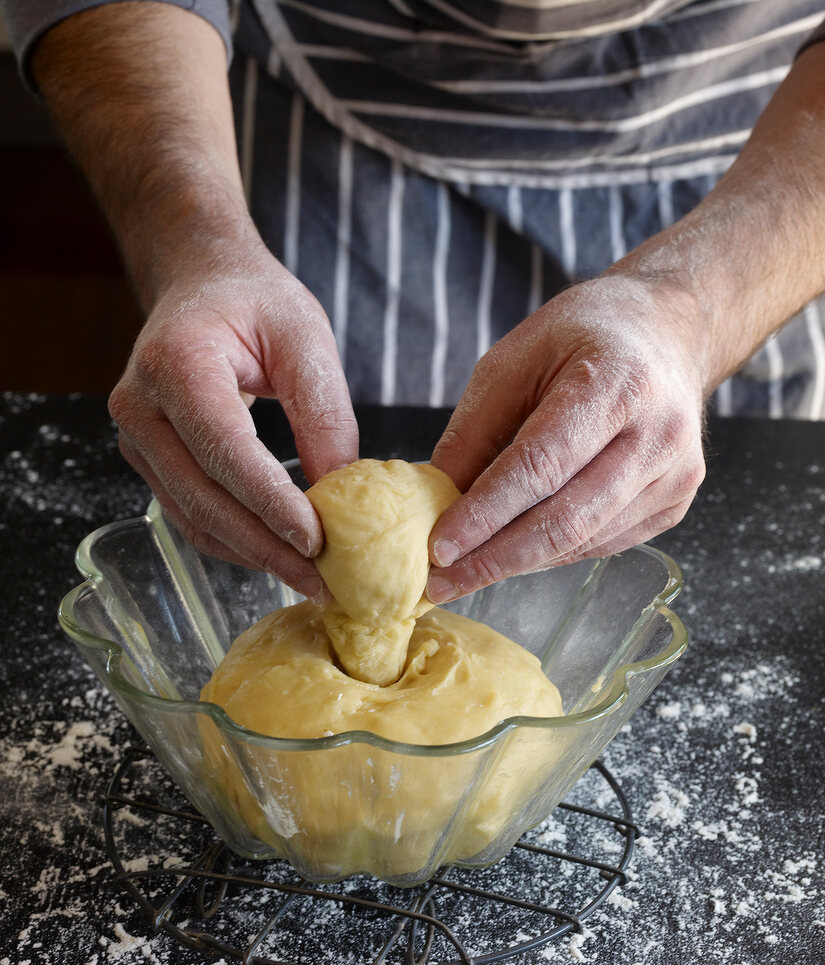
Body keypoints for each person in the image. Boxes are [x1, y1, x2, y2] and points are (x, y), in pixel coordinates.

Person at [4, 0, 825, 607]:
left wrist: (693, 309)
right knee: (279, 489)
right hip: (322, 126)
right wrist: (195, 242)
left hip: (758, 161)